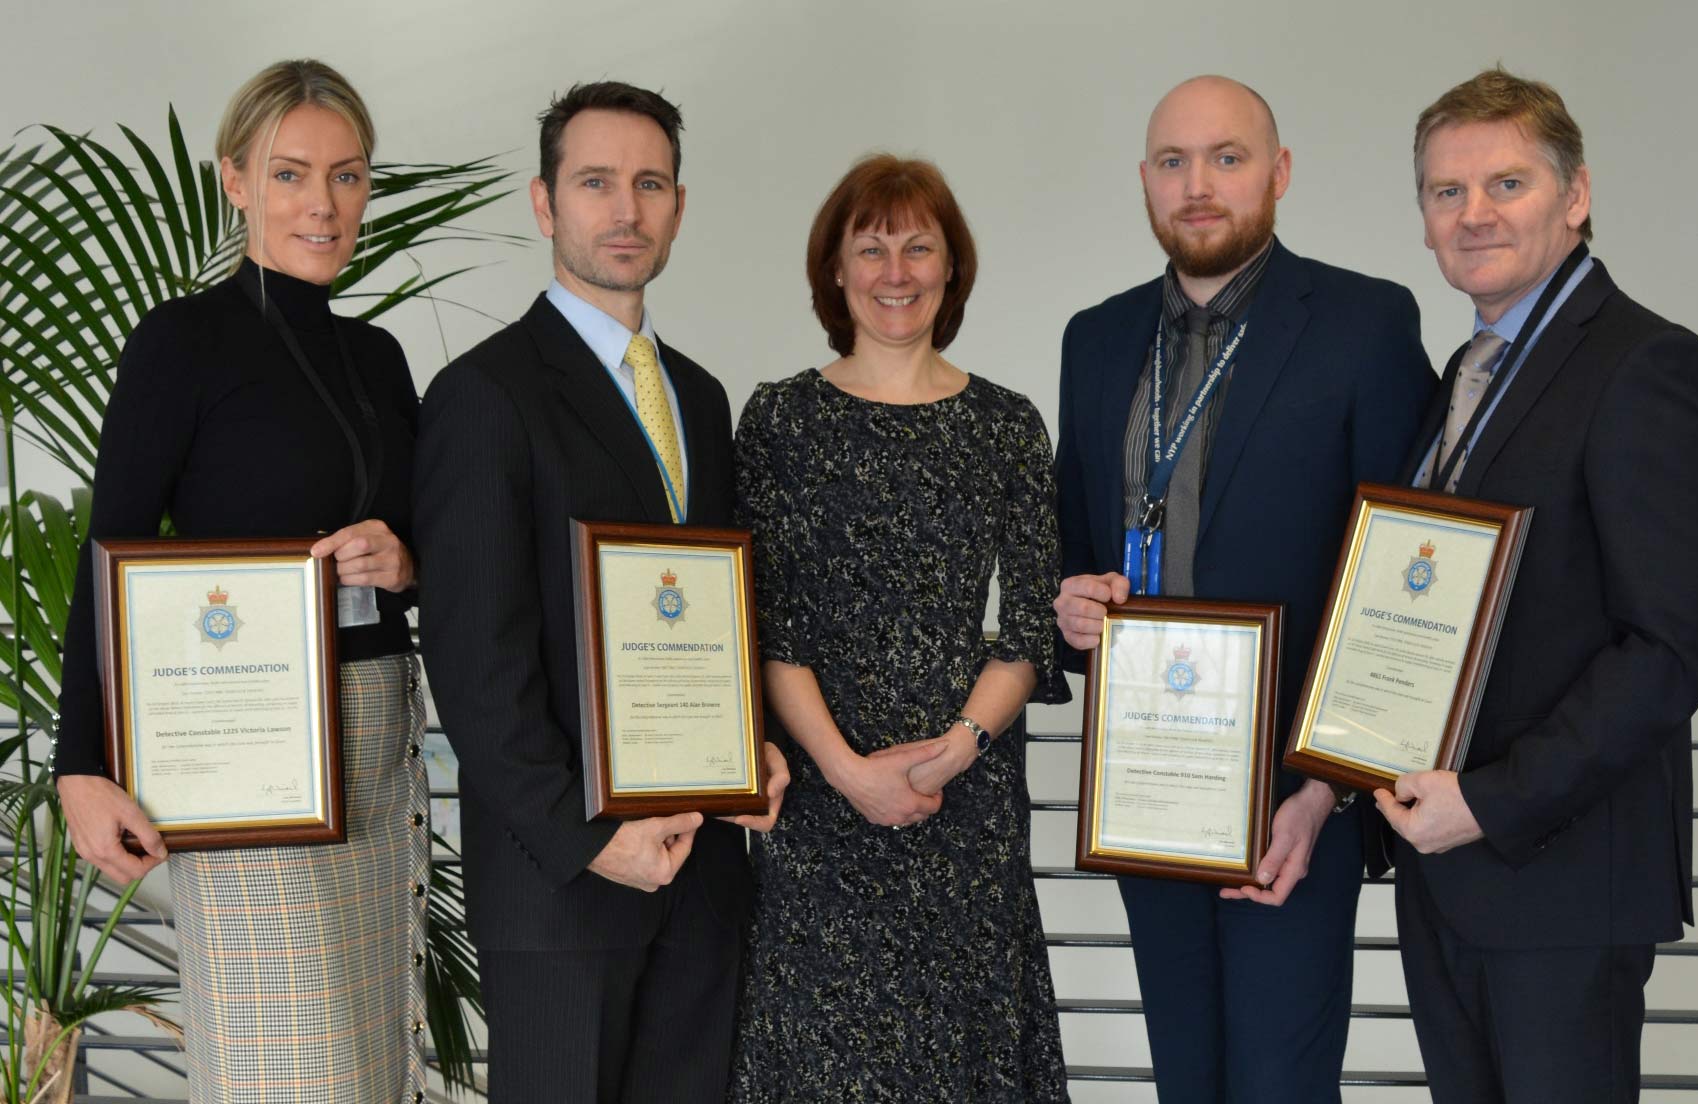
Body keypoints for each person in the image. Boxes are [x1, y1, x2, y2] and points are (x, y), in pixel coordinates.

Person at [1051, 76, 1436, 1102]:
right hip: (1146, 785)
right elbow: (1072, 540)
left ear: (1279, 172)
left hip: (1292, 802)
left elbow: (1403, 586)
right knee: (1186, 1077)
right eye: (1172, 162)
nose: (1199, 185)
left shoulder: (1365, 324)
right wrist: (1071, 607)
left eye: (1227, 157)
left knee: (1279, 1082)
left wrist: (1326, 792)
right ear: (1144, 181)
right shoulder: (1095, 339)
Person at [52, 59, 429, 1102]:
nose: (323, 204)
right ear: (234, 179)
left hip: (378, 741)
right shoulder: (181, 344)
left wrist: (406, 562)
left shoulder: (381, 357)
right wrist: (79, 765)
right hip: (248, 751)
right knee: (286, 1065)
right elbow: (110, 546)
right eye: (291, 173)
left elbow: (432, 546)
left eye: (348, 177)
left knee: (370, 1062)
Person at [412, 81, 787, 1104]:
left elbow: (708, 615)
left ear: (676, 205)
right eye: (594, 183)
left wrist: (743, 746)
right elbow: (473, 661)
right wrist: (589, 840)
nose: (624, 209)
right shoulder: (483, 397)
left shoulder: (700, 399)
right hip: (561, 889)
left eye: (648, 183)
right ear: (545, 205)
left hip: (701, 872)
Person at [1374, 68, 1698, 1104]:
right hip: (1451, 870)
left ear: (1574, 196)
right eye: (1446, 193)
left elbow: (1670, 649)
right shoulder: (1466, 374)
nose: (1473, 214)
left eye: (1506, 183)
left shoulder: (1647, 367)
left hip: (1559, 878)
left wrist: (1485, 804)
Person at [728, 154, 1070, 1103]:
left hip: (965, 806)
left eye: (919, 247)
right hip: (821, 810)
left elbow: (1030, 628)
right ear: (833, 271)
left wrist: (951, 755)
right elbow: (766, 630)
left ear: (950, 268)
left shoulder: (1006, 425)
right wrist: (846, 772)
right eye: (870, 248)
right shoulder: (780, 421)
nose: (895, 271)